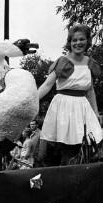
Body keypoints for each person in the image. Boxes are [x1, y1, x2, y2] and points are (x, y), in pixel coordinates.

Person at [38, 24, 102, 165]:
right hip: (63, 107)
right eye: (74, 40)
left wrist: (95, 112)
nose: (78, 43)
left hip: (82, 107)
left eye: (81, 39)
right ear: (69, 42)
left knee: (90, 142)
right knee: (65, 147)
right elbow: (47, 85)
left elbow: (90, 90)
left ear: (87, 41)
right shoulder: (63, 62)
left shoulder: (89, 63)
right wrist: (31, 101)